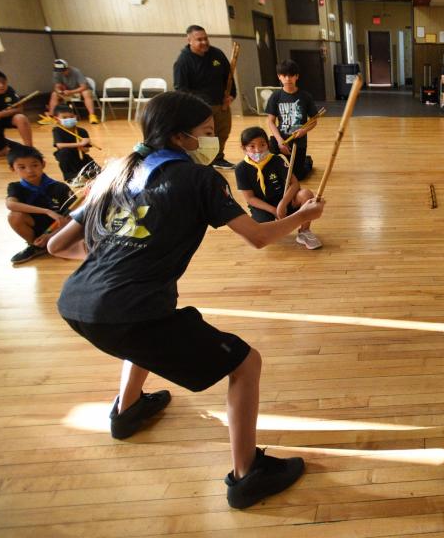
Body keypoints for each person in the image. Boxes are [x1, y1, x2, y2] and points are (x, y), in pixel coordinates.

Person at [48, 91, 325, 509]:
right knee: (245, 363)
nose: (212, 141)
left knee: (149, 327)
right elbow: (258, 236)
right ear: (180, 138)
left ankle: (128, 411)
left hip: (77, 302)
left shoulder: (118, 169)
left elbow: (56, 245)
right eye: (207, 133)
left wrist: (120, 259)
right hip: (127, 311)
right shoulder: (201, 179)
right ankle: (248, 474)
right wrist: (303, 217)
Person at [235, 126, 321, 249]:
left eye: (262, 144)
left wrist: (282, 204)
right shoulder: (241, 169)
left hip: (284, 199)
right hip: (262, 205)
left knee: (306, 194)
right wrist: (273, 210)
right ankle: (272, 223)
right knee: (262, 230)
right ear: (244, 148)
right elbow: (250, 199)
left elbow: (295, 184)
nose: (258, 150)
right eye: (252, 146)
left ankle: (304, 232)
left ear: (268, 145)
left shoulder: (276, 160)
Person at [173, 24, 236, 169]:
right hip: (200, 108)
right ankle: (203, 161)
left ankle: (218, 158)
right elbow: (180, 88)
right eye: (199, 40)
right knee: (205, 137)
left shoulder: (217, 54)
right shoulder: (183, 62)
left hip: (221, 104)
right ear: (189, 40)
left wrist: (231, 95)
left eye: (205, 38)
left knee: (223, 132)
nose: (204, 42)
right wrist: (197, 104)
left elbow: (229, 76)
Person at [6, 146, 73, 265]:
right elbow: (10, 204)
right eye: (22, 167)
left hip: (61, 228)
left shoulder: (59, 187)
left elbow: (75, 215)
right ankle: (36, 246)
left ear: (43, 164)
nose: (29, 171)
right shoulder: (15, 187)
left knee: (74, 219)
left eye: (34, 165)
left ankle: (52, 241)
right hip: (36, 228)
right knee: (14, 216)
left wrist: (52, 235)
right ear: (12, 169)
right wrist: (46, 211)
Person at [264, 60, 316, 180]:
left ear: (296, 76)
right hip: (280, 139)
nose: (288, 79)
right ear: (279, 77)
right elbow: (271, 121)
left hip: (299, 141)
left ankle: (307, 161)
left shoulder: (305, 96)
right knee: (272, 169)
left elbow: (314, 120)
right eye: (284, 75)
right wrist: (279, 140)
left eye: (291, 75)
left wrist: (303, 131)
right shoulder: (275, 96)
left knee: (298, 176)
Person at [51, 104, 100, 183]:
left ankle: (84, 175)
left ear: (75, 117)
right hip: (67, 157)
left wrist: (83, 148)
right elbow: (59, 145)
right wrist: (79, 144)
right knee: (64, 153)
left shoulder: (82, 131)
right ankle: (71, 178)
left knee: (98, 173)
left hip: (80, 156)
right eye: (64, 118)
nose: (69, 119)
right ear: (57, 119)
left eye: (71, 117)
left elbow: (86, 150)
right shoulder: (57, 130)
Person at [46, 59, 100, 125]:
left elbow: (84, 87)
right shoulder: (56, 73)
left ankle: (92, 116)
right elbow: (57, 86)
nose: (61, 72)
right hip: (68, 92)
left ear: (68, 68)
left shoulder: (76, 72)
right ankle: (51, 116)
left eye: (63, 70)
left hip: (79, 91)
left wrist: (71, 91)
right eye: (59, 71)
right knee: (54, 94)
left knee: (86, 93)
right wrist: (59, 91)